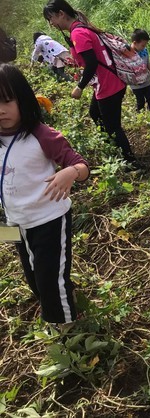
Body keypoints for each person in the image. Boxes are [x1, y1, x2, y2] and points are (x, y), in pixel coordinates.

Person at [0, 63, 90, 326]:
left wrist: (70, 172)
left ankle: (65, 330)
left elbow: (82, 165)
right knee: (34, 278)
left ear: (24, 98)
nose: (1, 110)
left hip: (49, 219)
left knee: (48, 279)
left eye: (7, 100)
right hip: (17, 222)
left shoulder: (41, 135)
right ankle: (62, 300)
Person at [43, 0, 141, 170]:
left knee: (113, 126)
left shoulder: (78, 33)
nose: (51, 23)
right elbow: (90, 58)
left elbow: (92, 63)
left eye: (51, 18)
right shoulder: (80, 27)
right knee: (94, 113)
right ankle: (111, 148)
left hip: (108, 85)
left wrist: (79, 87)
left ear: (61, 13)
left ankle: (131, 163)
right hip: (111, 81)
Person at [129, 28, 150, 112]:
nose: (144, 47)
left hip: (146, 81)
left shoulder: (144, 51)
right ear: (135, 43)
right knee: (140, 101)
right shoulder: (128, 53)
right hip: (136, 84)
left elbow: (147, 62)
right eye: (143, 45)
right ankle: (141, 117)